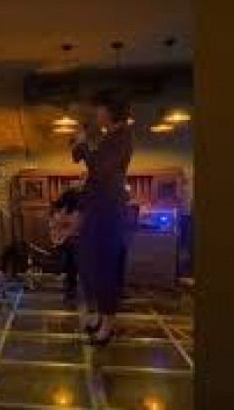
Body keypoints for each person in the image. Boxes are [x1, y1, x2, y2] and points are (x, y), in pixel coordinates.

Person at [71, 90, 134, 345]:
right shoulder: (110, 137)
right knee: (90, 263)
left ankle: (108, 325)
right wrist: (81, 145)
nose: (96, 113)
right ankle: (100, 315)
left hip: (108, 211)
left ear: (111, 111)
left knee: (105, 265)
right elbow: (86, 163)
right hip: (98, 209)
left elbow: (99, 168)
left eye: (100, 108)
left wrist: (84, 144)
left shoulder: (122, 136)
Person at [49, 186, 83, 302]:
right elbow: (58, 225)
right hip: (66, 242)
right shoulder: (62, 210)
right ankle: (71, 287)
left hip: (73, 241)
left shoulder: (78, 209)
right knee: (72, 253)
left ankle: (71, 287)